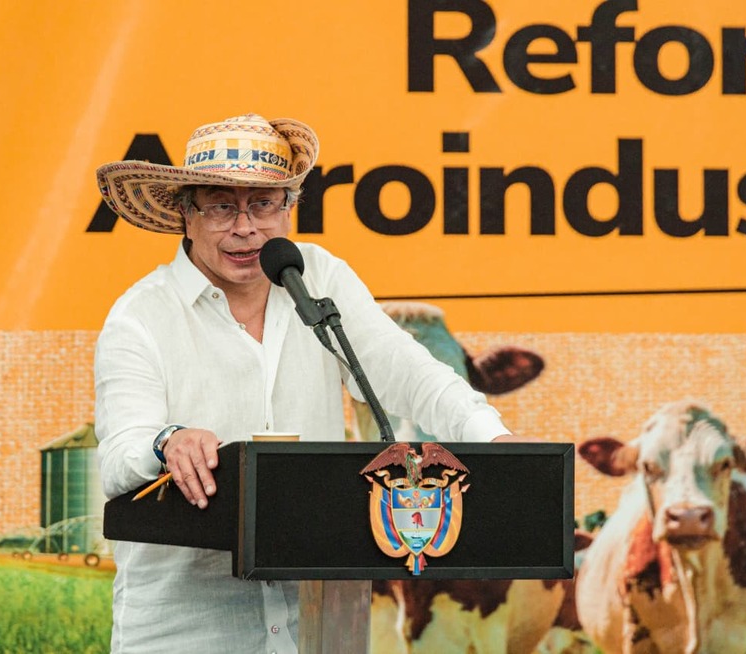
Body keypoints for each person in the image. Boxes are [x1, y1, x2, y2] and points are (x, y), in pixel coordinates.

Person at [94, 113, 524, 653]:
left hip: (319, 626)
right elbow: (118, 455)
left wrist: (493, 438)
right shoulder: (140, 315)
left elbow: (409, 373)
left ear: (288, 208)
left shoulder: (319, 277)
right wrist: (168, 441)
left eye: (264, 204)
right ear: (186, 212)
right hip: (186, 631)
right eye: (223, 206)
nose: (247, 227)